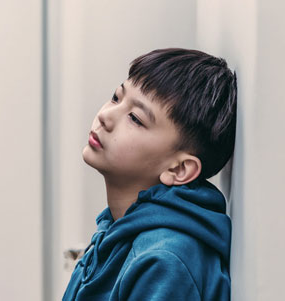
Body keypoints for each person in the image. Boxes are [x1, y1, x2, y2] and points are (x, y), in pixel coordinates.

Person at [62, 48, 237, 300]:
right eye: (115, 97)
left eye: (135, 118)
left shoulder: (164, 263)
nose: (105, 116)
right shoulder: (118, 227)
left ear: (178, 169)